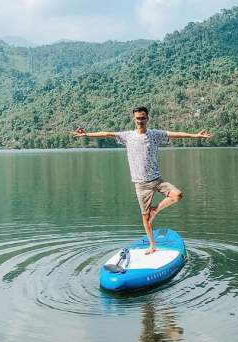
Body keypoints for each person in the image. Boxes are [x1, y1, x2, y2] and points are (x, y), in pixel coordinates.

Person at [73, 106, 210, 253]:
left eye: (143, 118)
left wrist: (195, 136)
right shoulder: (127, 136)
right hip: (141, 184)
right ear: (134, 119)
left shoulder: (154, 134)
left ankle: (155, 210)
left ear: (147, 118)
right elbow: (107, 134)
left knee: (177, 195)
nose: (140, 120)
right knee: (145, 217)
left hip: (157, 180)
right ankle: (152, 245)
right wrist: (86, 134)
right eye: (138, 118)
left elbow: (175, 134)